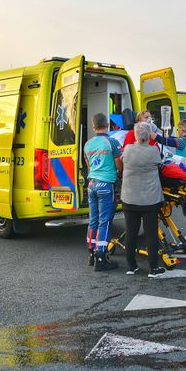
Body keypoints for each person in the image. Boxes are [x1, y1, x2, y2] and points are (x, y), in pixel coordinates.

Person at [120, 121, 166, 278]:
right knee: (151, 234)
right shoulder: (154, 151)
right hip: (149, 199)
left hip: (129, 197)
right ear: (149, 135)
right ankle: (153, 268)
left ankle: (131, 266)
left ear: (135, 134)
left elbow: (124, 160)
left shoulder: (127, 149)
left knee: (130, 232)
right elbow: (160, 165)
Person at [84, 113, 123, 271]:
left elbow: (88, 164)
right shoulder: (112, 142)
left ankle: (92, 254)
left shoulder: (87, 144)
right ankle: (101, 257)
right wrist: (120, 173)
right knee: (104, 221)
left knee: (93, 220)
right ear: (107, 125)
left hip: (92, 184)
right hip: (106, 185)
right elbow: (119, 163)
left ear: (94, 126)